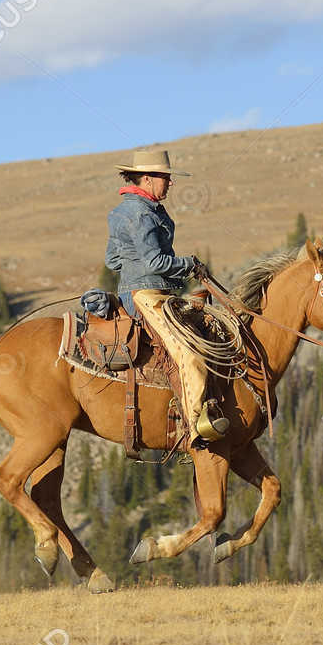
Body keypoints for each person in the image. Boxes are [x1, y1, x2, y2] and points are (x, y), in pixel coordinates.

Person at [105, 148, 228, 438]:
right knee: (191, 354)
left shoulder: (125, 210)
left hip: (138, 292)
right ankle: (198, 427)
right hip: (147, 296)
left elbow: (112, 260)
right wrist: (190, 263)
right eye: (165, 178)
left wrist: (132, 265)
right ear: (146, 179)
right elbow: (155, 262)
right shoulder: (141, 214)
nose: (170, 183)